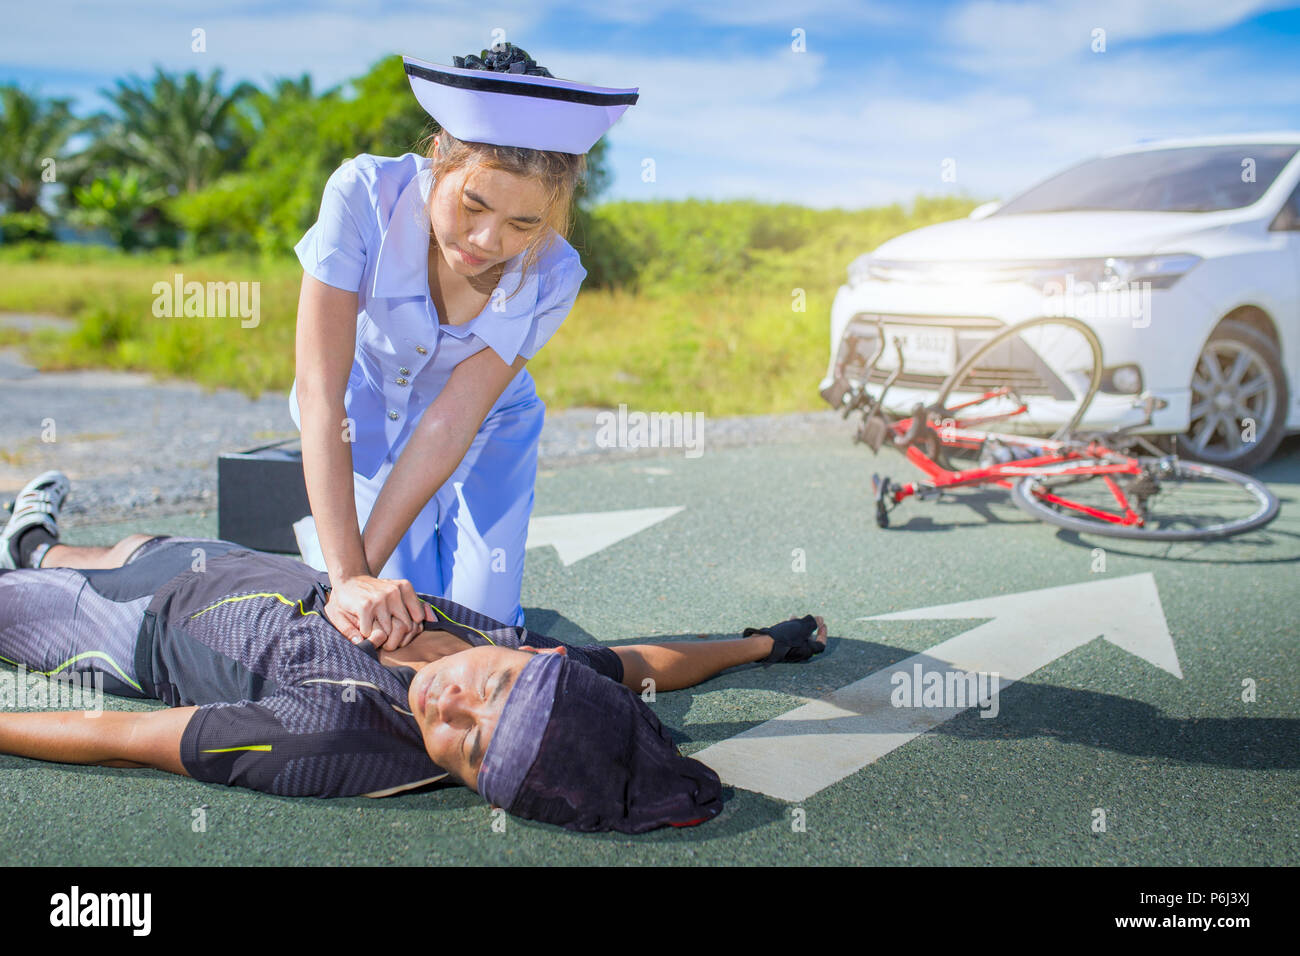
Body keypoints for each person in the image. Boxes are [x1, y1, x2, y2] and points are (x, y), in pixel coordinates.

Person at [0, 473, 828, 833]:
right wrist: (762, 643)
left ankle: (30, 560)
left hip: (127, 630)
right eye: (491, 692)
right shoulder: (532, 657)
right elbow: (643, 663)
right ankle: (34, 539)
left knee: (66, 587)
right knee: (125, 543)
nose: (452, 707)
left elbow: (120, 737)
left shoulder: (332, 738)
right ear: (539, 664)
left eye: (466, 749)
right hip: (233, 565)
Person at [291, 43, 639, 650]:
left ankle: (378, 548)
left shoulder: (555, 274)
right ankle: (326, 539)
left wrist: (356, 576)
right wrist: (348, 579)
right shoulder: (360, 194)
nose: (486, 240)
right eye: (473, 204)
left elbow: (452, 422)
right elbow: (322, 394)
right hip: (363, 414)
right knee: (395, 625)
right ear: (438, 158)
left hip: (485, 429)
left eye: (523, 224)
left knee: (482, 635)